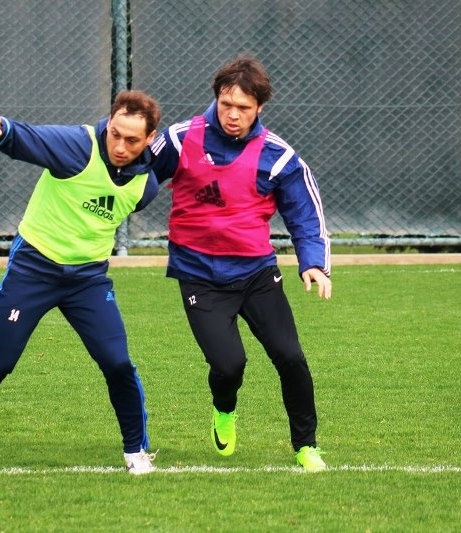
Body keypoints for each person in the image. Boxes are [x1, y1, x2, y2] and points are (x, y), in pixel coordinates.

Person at [0, 90, 162, 475]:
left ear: (150, 138)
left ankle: (136, 453)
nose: (120, 146)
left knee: (118, 363)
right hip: (33, 269)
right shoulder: (77, 146)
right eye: (115, 134)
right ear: (108, 122)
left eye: (132, 140)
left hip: (88, 280)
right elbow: (22, 138)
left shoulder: (146, 186)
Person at [151, 55, 332, 472]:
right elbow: (137, 175)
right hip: (199, 276)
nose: (233, 114)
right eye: (226, 104)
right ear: (216, 98)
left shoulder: (278, 156)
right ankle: (224, 410)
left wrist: (314, 262)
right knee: (229, 365)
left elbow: (305, 212)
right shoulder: (180, 139)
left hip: (256, 275)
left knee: (290, 357)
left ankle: (306, 446)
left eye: (243, 107)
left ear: (260, 107)